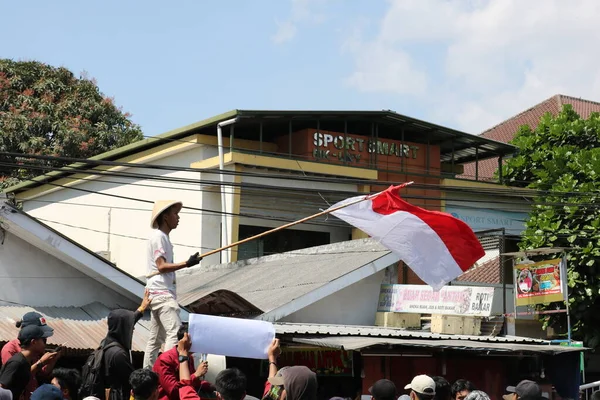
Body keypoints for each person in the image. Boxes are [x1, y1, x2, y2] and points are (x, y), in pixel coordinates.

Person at [143, 200, 202, 369]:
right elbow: (161, 266)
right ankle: (165, 370)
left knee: (155, 339)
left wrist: (188, 262)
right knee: (175, 333)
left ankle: (150, 373)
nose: (178, 217)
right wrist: (187, 263)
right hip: (162, 292)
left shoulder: (163, 238)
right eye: (175, 214)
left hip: (157, 291)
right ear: (165, 217)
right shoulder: (159, 237)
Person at [103, 291, 152, 400]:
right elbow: (134, 381)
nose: (133, 329)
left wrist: (142, 308)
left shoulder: (108, 342)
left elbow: (127, 321)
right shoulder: (118, 354)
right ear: (122, 328)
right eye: (129, 327)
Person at [1, 313, 60, 400]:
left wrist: (53, 360)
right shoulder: (12, 352)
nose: (45, 341)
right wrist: (41, 362)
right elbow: (7, 385)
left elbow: (41, 373)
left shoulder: (33, 352)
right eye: (42, 338)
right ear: (33, 341)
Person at [154, 324, 210, 400]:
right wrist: (196, 374)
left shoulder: (189, 358)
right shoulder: (165, 359)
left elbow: (193, 383)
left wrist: (211, 386)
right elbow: (174, 391)